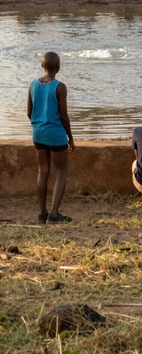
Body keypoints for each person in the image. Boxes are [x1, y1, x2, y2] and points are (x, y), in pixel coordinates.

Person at [27, 51, 74, 224]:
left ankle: (42, 213)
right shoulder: (60, 87)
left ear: (42, 66)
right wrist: (70, 138)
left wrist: (39, 125)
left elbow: (29, 112)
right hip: (55, 135)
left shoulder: (33, 84)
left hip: (38, 133)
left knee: (43, 171)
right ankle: (54, 214)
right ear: (58, 68)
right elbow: (64, 116)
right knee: (61, 171)